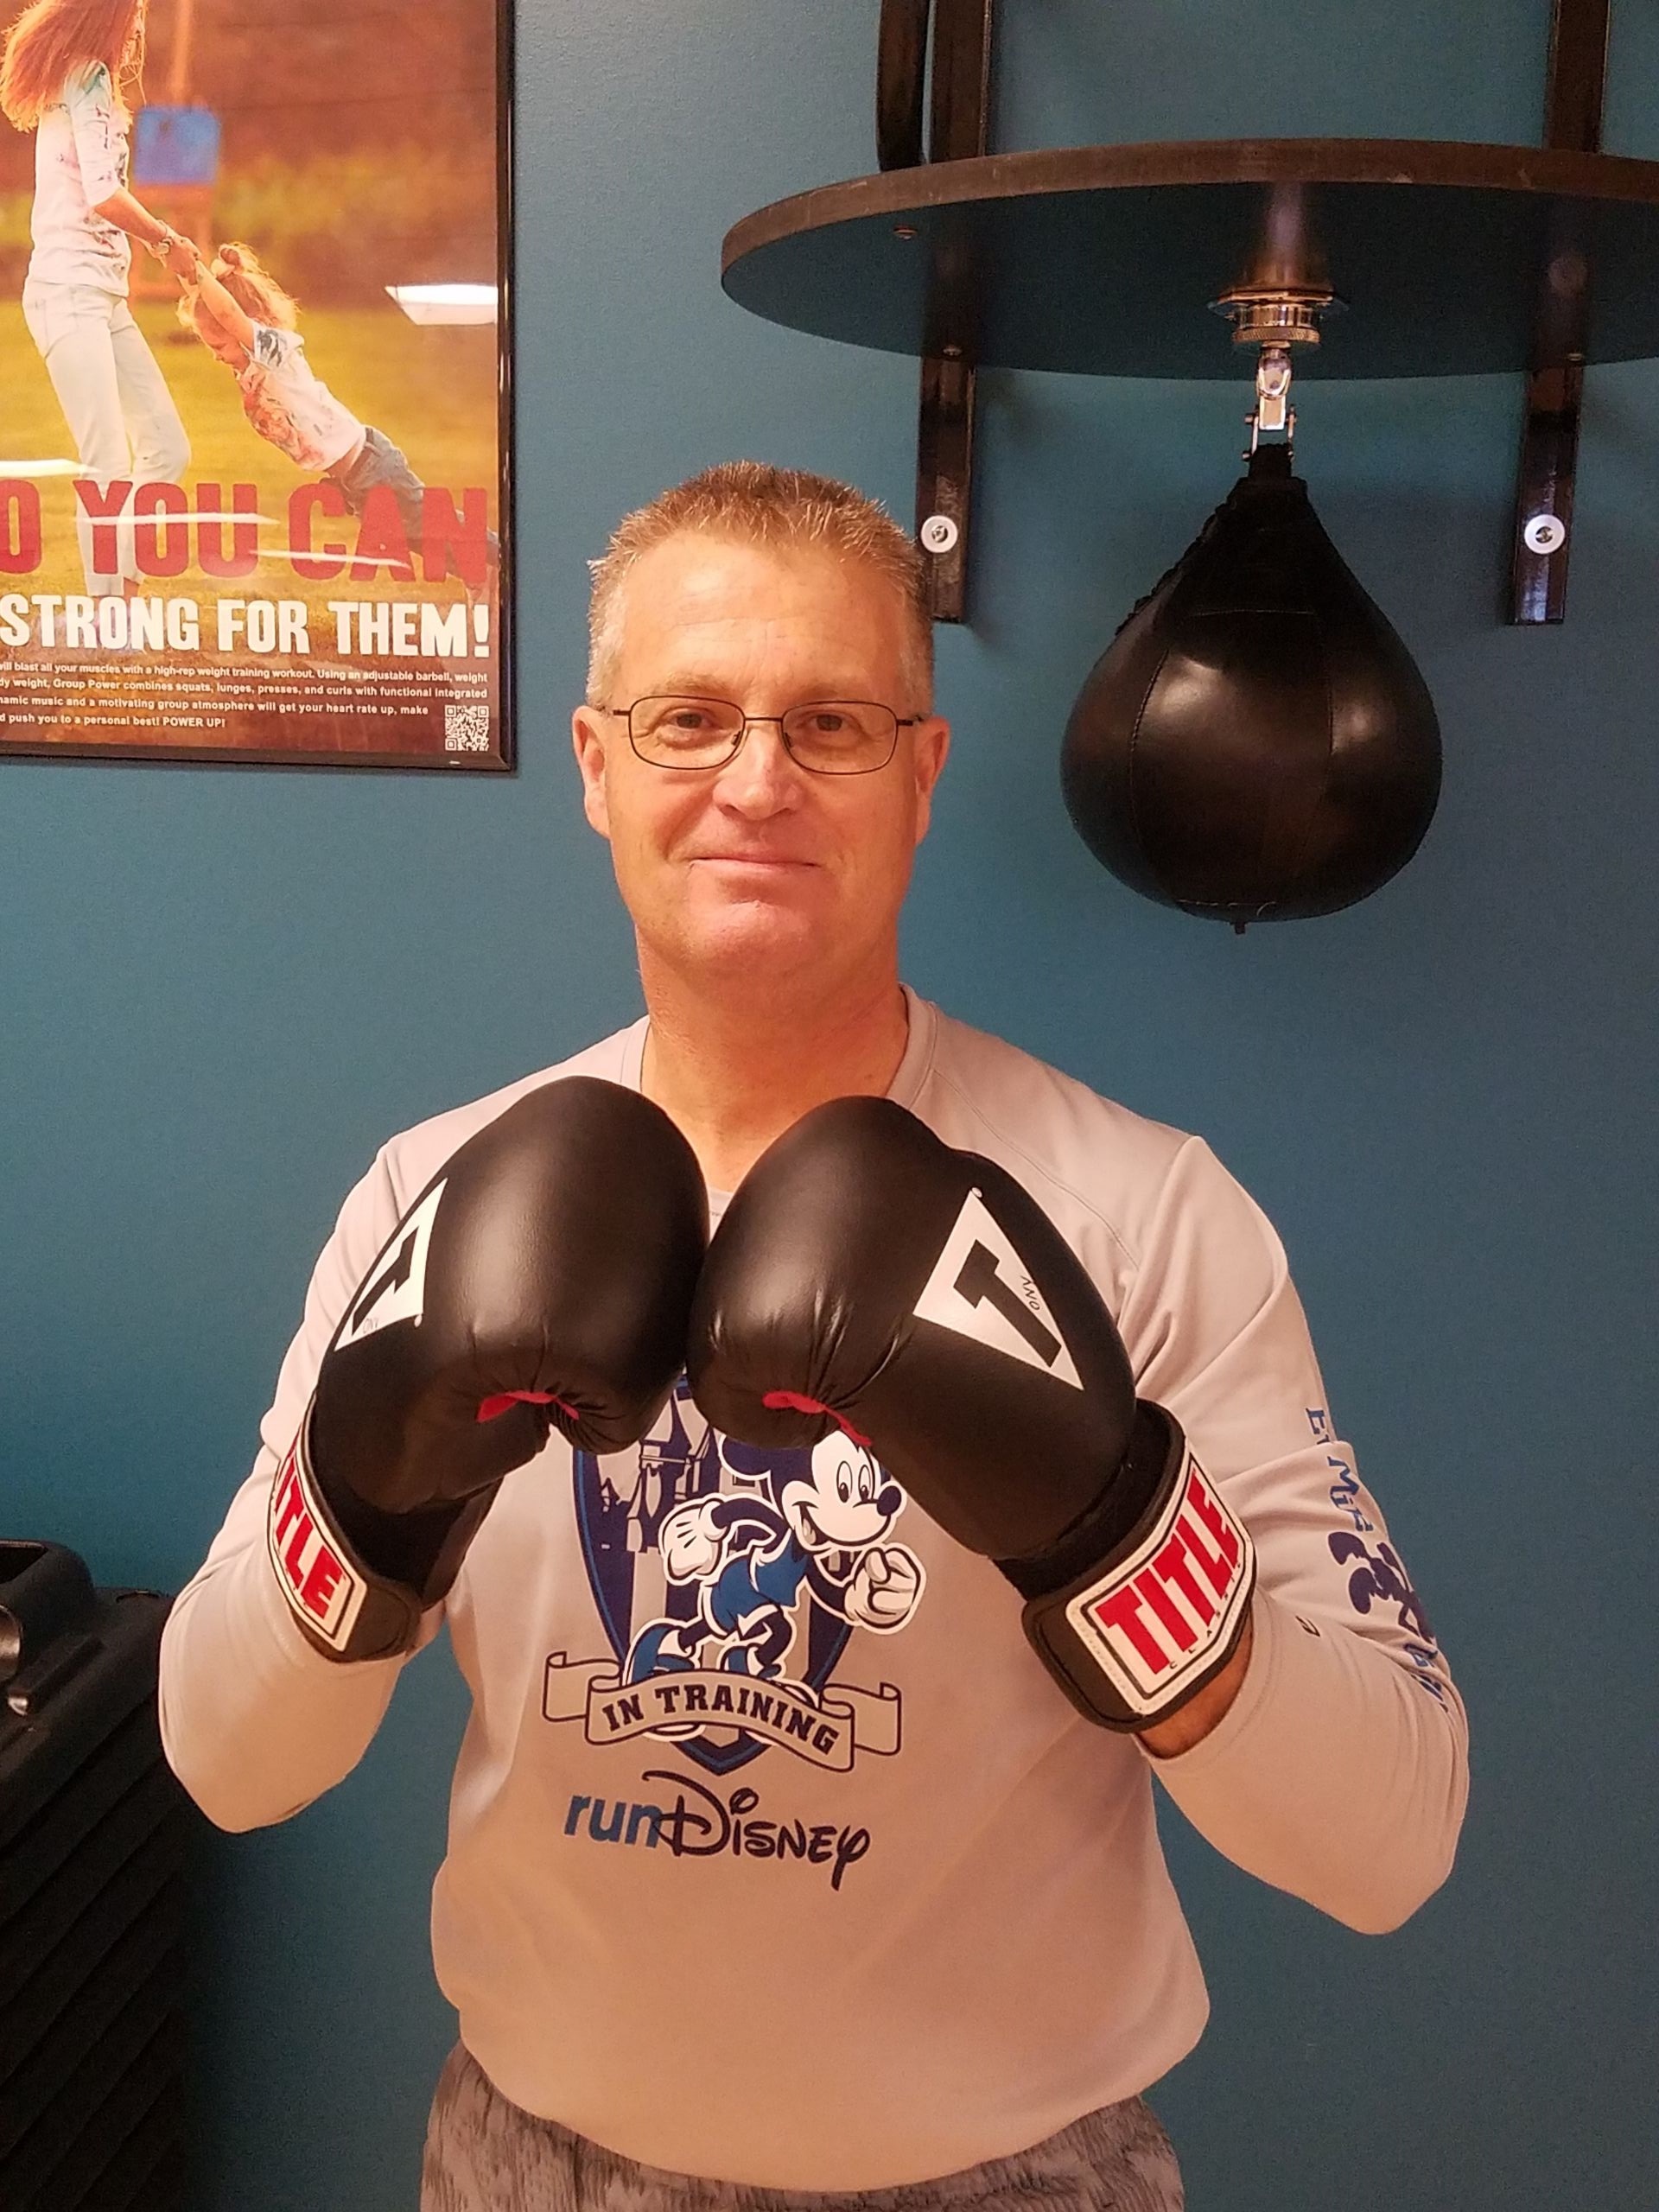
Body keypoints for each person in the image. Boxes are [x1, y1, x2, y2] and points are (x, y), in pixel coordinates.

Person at [158, 461, 1469, 2212]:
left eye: (833, 722)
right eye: (690, 717)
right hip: (534, 2165)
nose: (758, 779)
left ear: (923, 774)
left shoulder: (1138, 1211)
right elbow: (226, 1758)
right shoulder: (432, 1190)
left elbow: (1393, 1838)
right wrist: (365, 1499)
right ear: (596, 765)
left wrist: (1114, 1528)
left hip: (1017, 2176)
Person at [1, 0, 193, 600]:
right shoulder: (88, 75)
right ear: (109, 19)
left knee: (166, 446)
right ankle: (109, 616)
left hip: (104, 296)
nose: (139, 29)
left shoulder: (89, 82)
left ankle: (120, 604)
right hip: (68, 289)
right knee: (106, 464)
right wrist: (167, 242)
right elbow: (103, 193)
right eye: (133, 17)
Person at [170, 238, 499, 583]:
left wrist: (198, 270)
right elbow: (211, 308)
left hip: (371, 465)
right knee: (411, 538)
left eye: (219, 345)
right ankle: (482, 575)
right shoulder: (249, 368)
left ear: (245, 326)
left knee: (429, 524)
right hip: (353, 480)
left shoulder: (273, 353)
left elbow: (226, 313)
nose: (216, 355)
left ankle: (505, 560)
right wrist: (179, 266)